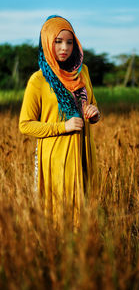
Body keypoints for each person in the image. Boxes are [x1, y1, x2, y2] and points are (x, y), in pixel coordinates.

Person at [19, 15, 100, 228]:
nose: (64, 47)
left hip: (83, 153)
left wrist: (93, 113)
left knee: (85, 218)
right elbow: (25, 124)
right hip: (56, 159)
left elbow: (91, 107)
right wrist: (63, 126)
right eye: (58, 41)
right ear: (46, 41)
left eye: (69, 42)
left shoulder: (83, 72)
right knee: (60, 220)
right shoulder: (38, 80)